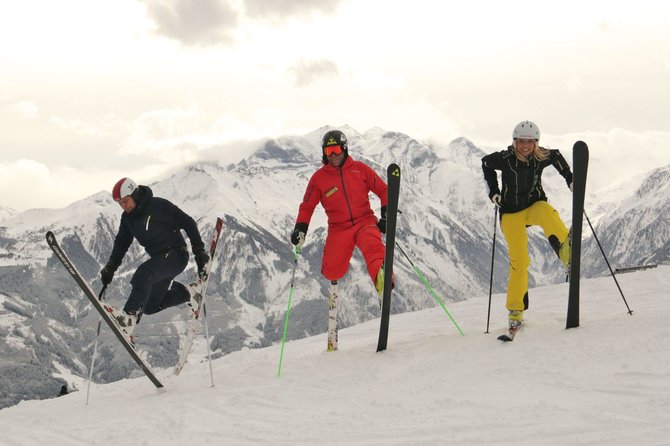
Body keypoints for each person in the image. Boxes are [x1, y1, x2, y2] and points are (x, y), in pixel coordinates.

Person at [481, 120, 573, 333]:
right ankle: (516, 311)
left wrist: (570, 178)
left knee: (547, 211)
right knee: (519, 261)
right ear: (514, 141)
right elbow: (486, 163)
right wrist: (493, 192)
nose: (525, 146)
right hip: (511, 213)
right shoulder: (504, 159)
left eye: (530, 142)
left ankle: (566, 251)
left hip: (533, 206)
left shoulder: (541, 156)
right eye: (521, 141)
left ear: (536, 142)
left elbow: (557, 156)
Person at [99, 178, 210, 340]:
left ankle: (129, 317)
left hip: (176, 255)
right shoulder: (128, 219)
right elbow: (121, 244)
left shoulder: (158, 206)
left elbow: (188, 222)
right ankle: (189, 294)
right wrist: (111, 267)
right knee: (151, 306)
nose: (124, 206)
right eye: (120, 203)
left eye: (125, 201)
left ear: (134, 194)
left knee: (144, 273)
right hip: (160, 260)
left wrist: (199, 251)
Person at [291, 129, 389, 294]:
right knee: (331, 270)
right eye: (329, 151)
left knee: (373, 247)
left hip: (365, 221)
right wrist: (300, 228)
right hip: (339, 228)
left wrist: (386, 216)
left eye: (337, 149)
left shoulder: (360, 169)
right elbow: (307, 207)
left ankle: (382, 279)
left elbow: (383, 190)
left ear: (344, 149)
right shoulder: (319, 179)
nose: (333, 155)